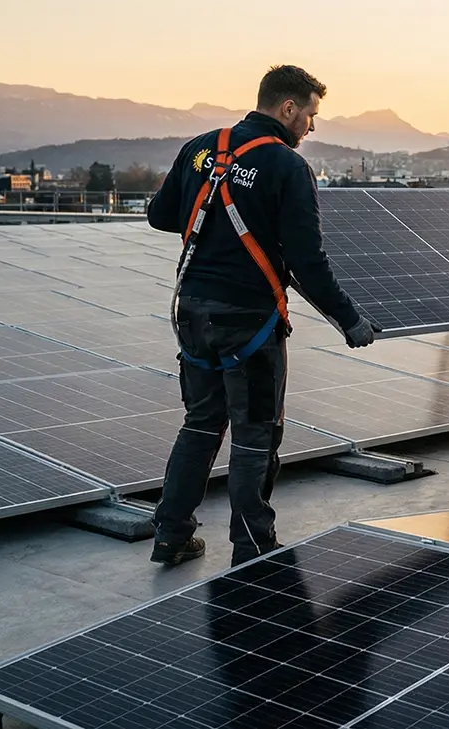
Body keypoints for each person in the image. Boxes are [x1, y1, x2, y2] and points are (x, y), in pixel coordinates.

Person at [146, 65, 376, 568]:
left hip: (192, 313)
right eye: (311, 115)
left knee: (201, 424)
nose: (312, 128)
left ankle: (170, 535)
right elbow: (307, 262)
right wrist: (349, 319)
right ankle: (253, 546)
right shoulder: (287, 168)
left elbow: (161, 215)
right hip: (248, 320)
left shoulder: (202, 147)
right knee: (256, 432)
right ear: (288, 109)